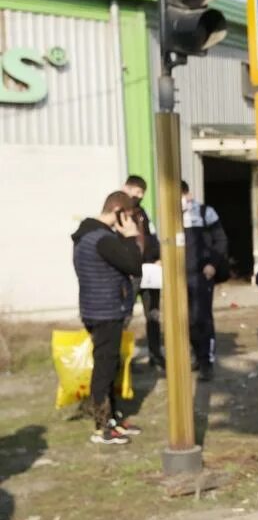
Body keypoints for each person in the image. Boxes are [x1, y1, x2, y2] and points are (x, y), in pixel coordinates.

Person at [71, 192, 145, 445]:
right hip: (105, 311)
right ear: (117, 211)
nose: (129, 221)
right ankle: (102, 428)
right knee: (104, 367)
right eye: (127, 216)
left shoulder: (88, 235)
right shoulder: (102, 239)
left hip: (97, 309)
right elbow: (135, 265)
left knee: (110, 365)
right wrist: (132, 237)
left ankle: (112, 419)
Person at [181, 180, 228, 382]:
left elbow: (221, 239)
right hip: (179, 277)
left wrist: (213, 265)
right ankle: (196, 356)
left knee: (202, 319)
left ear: (186, 193)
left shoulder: (203, 212)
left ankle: (206, 363)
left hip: (201, 275)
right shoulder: (170, 215)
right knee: (187, 320)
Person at [121, 175, 163, 370]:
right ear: (126, 188)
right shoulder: (118, 212)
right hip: (129, 272)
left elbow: (152, 238)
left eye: (141, 194)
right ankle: (119, 359)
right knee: (124, 315)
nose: (138, 196)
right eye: (135, 192)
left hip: (149, 270)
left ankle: (156, 355)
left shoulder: (143, 214)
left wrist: (158, 257)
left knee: (153, 313)